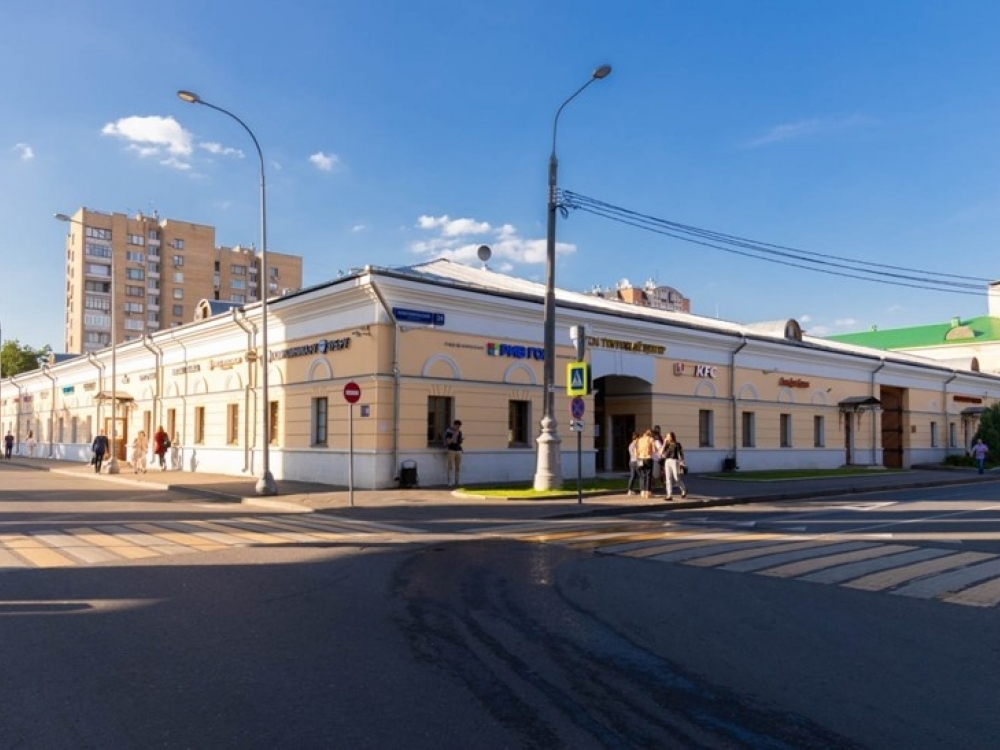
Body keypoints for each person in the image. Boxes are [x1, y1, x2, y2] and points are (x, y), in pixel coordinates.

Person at [662, 431, 688, 501]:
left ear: (672, 437)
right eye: (666, 436)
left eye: (668, 436)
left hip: (675, 461)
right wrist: (664, 444)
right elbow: (661, 453)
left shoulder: (677, 444)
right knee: (668, 478)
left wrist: (682, 461)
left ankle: (684, 489)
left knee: (676, 478)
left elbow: (681, 453)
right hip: (667, 461)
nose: (667, 437)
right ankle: (669, 495)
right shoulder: (666, 445)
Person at [635, 429, 657, 499]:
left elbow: (636, 450)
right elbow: (654, 450)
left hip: (640, 458)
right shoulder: (651, 439)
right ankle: (648, 493)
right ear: (651, 434)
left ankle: (642, 492)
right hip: (648, 458)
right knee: (648, 475)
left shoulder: (640, 440)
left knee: (642, 475)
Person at [444, 419, 463, 487]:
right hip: (451, 450)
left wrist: (461, 440)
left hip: (458, 450)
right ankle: (449, 482)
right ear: (454, 425)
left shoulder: (459, 432)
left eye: (459, 426)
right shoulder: (449, 431)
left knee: (458, 467)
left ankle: (457, 482)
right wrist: (454, 435)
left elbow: (459, 441)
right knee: (450, 466)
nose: (458, 427)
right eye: (457, 426)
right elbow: (449, 442)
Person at [626, 432, 641, 496]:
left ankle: (629, 490)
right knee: (641, 476)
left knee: (632, 476)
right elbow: (636, 453)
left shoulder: (630, 444)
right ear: (637, 438)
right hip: (636, 461)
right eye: (639, 438)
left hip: (631, 461)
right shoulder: (636, 444)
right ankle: (642, 490)